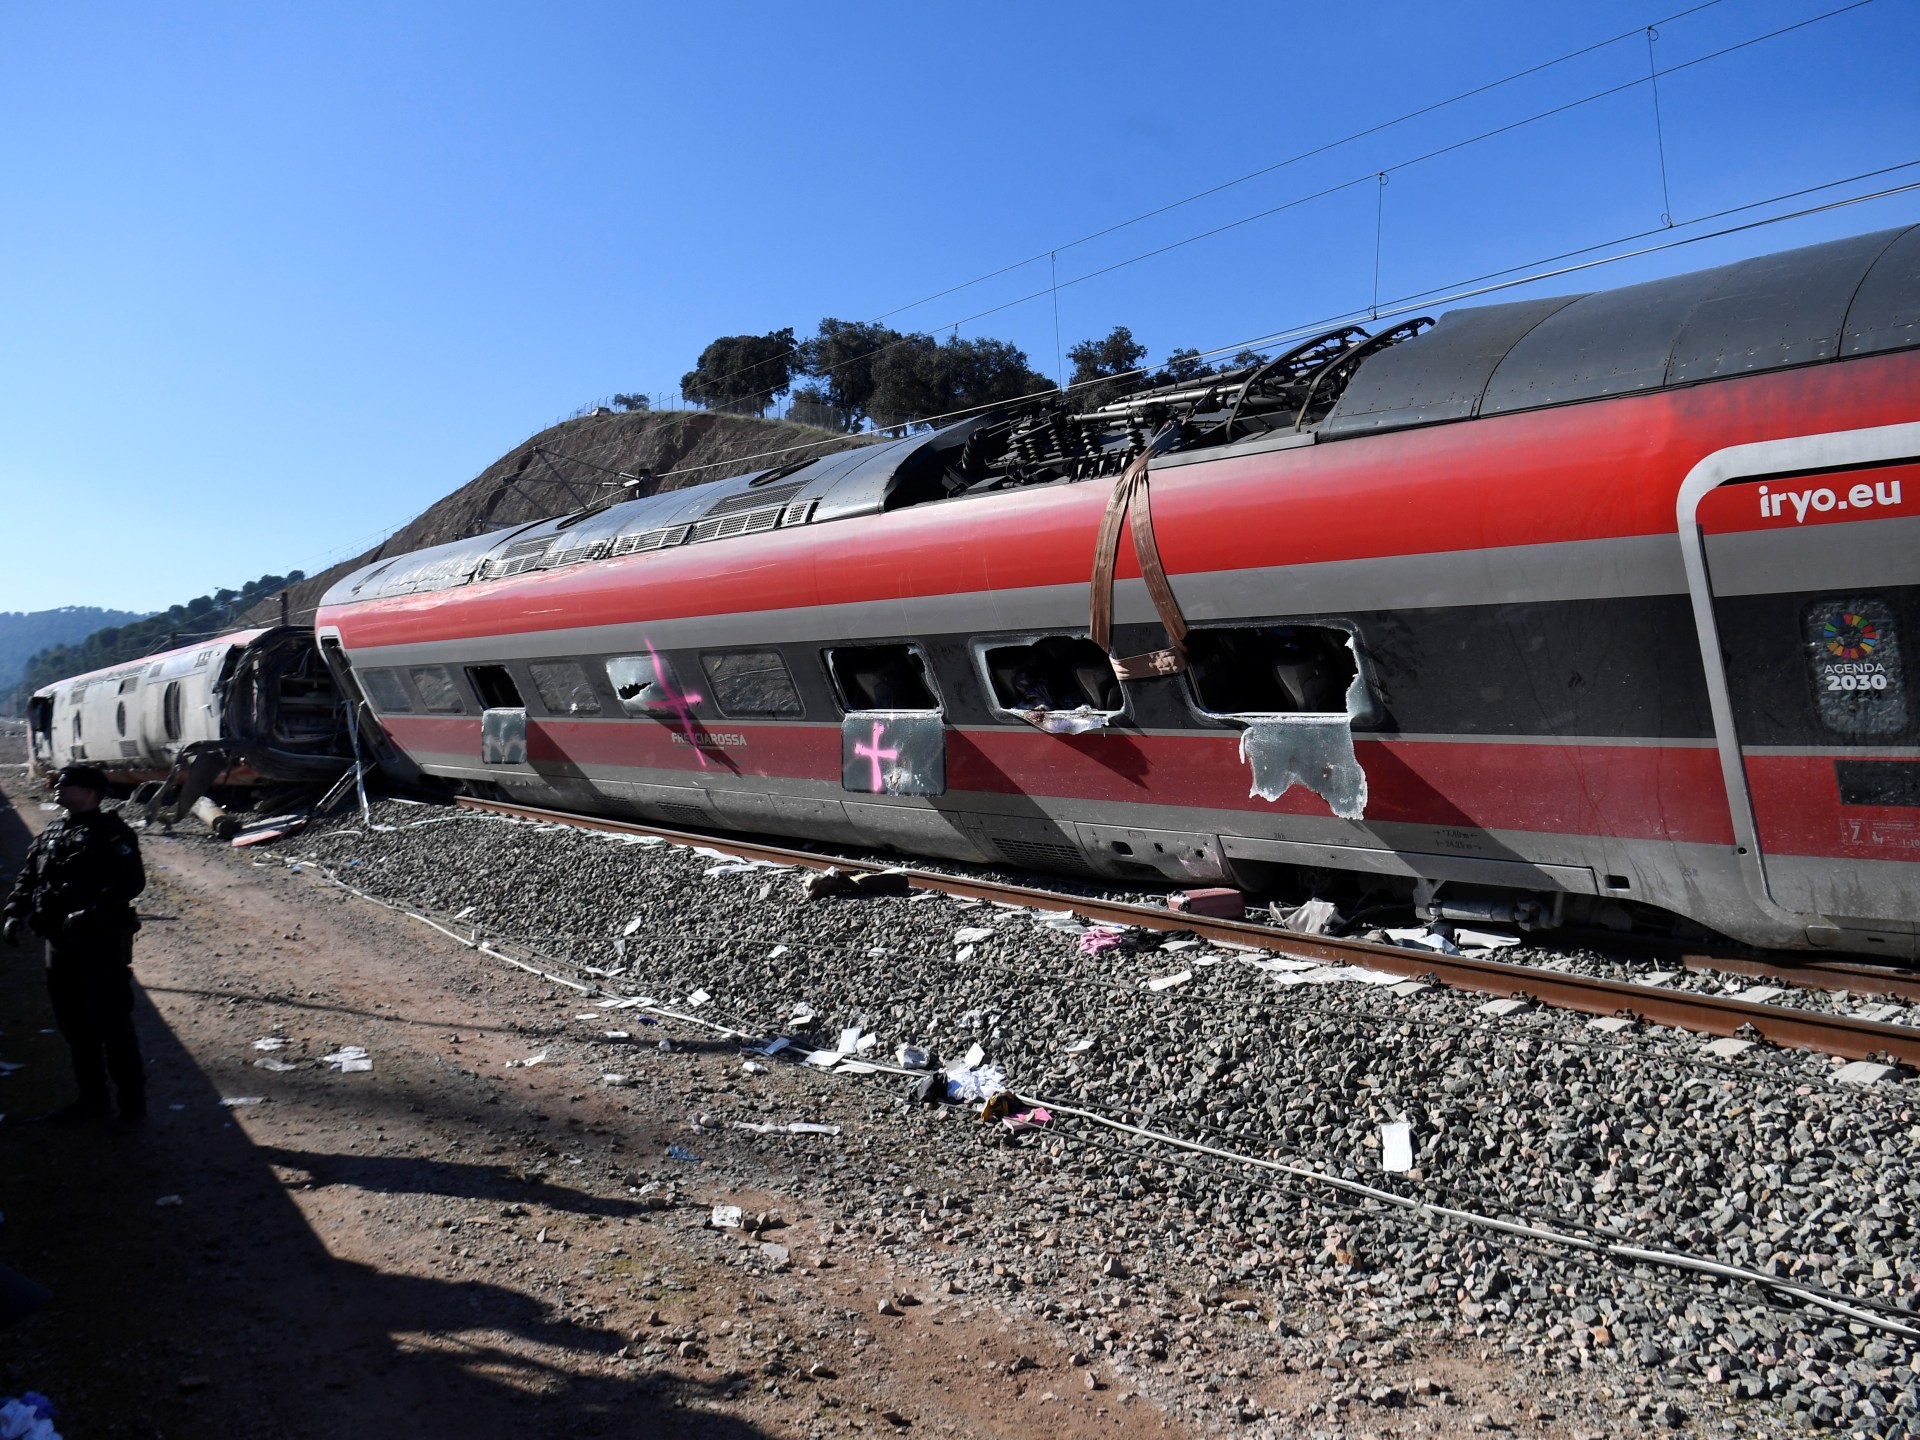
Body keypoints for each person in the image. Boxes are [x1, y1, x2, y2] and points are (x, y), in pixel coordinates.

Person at [2, 764, 147, 1127]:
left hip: (99, 944)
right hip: (59, 943)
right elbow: (30, 876)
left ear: (90, 792)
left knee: (113, 1025)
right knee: (75, 1027)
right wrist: (15, 910)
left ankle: (131, 1109)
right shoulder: (54, 832)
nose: (57, 788)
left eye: (66, 785)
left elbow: (130, 882)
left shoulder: (112, 833)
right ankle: (91, 1100)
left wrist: (91, 913)